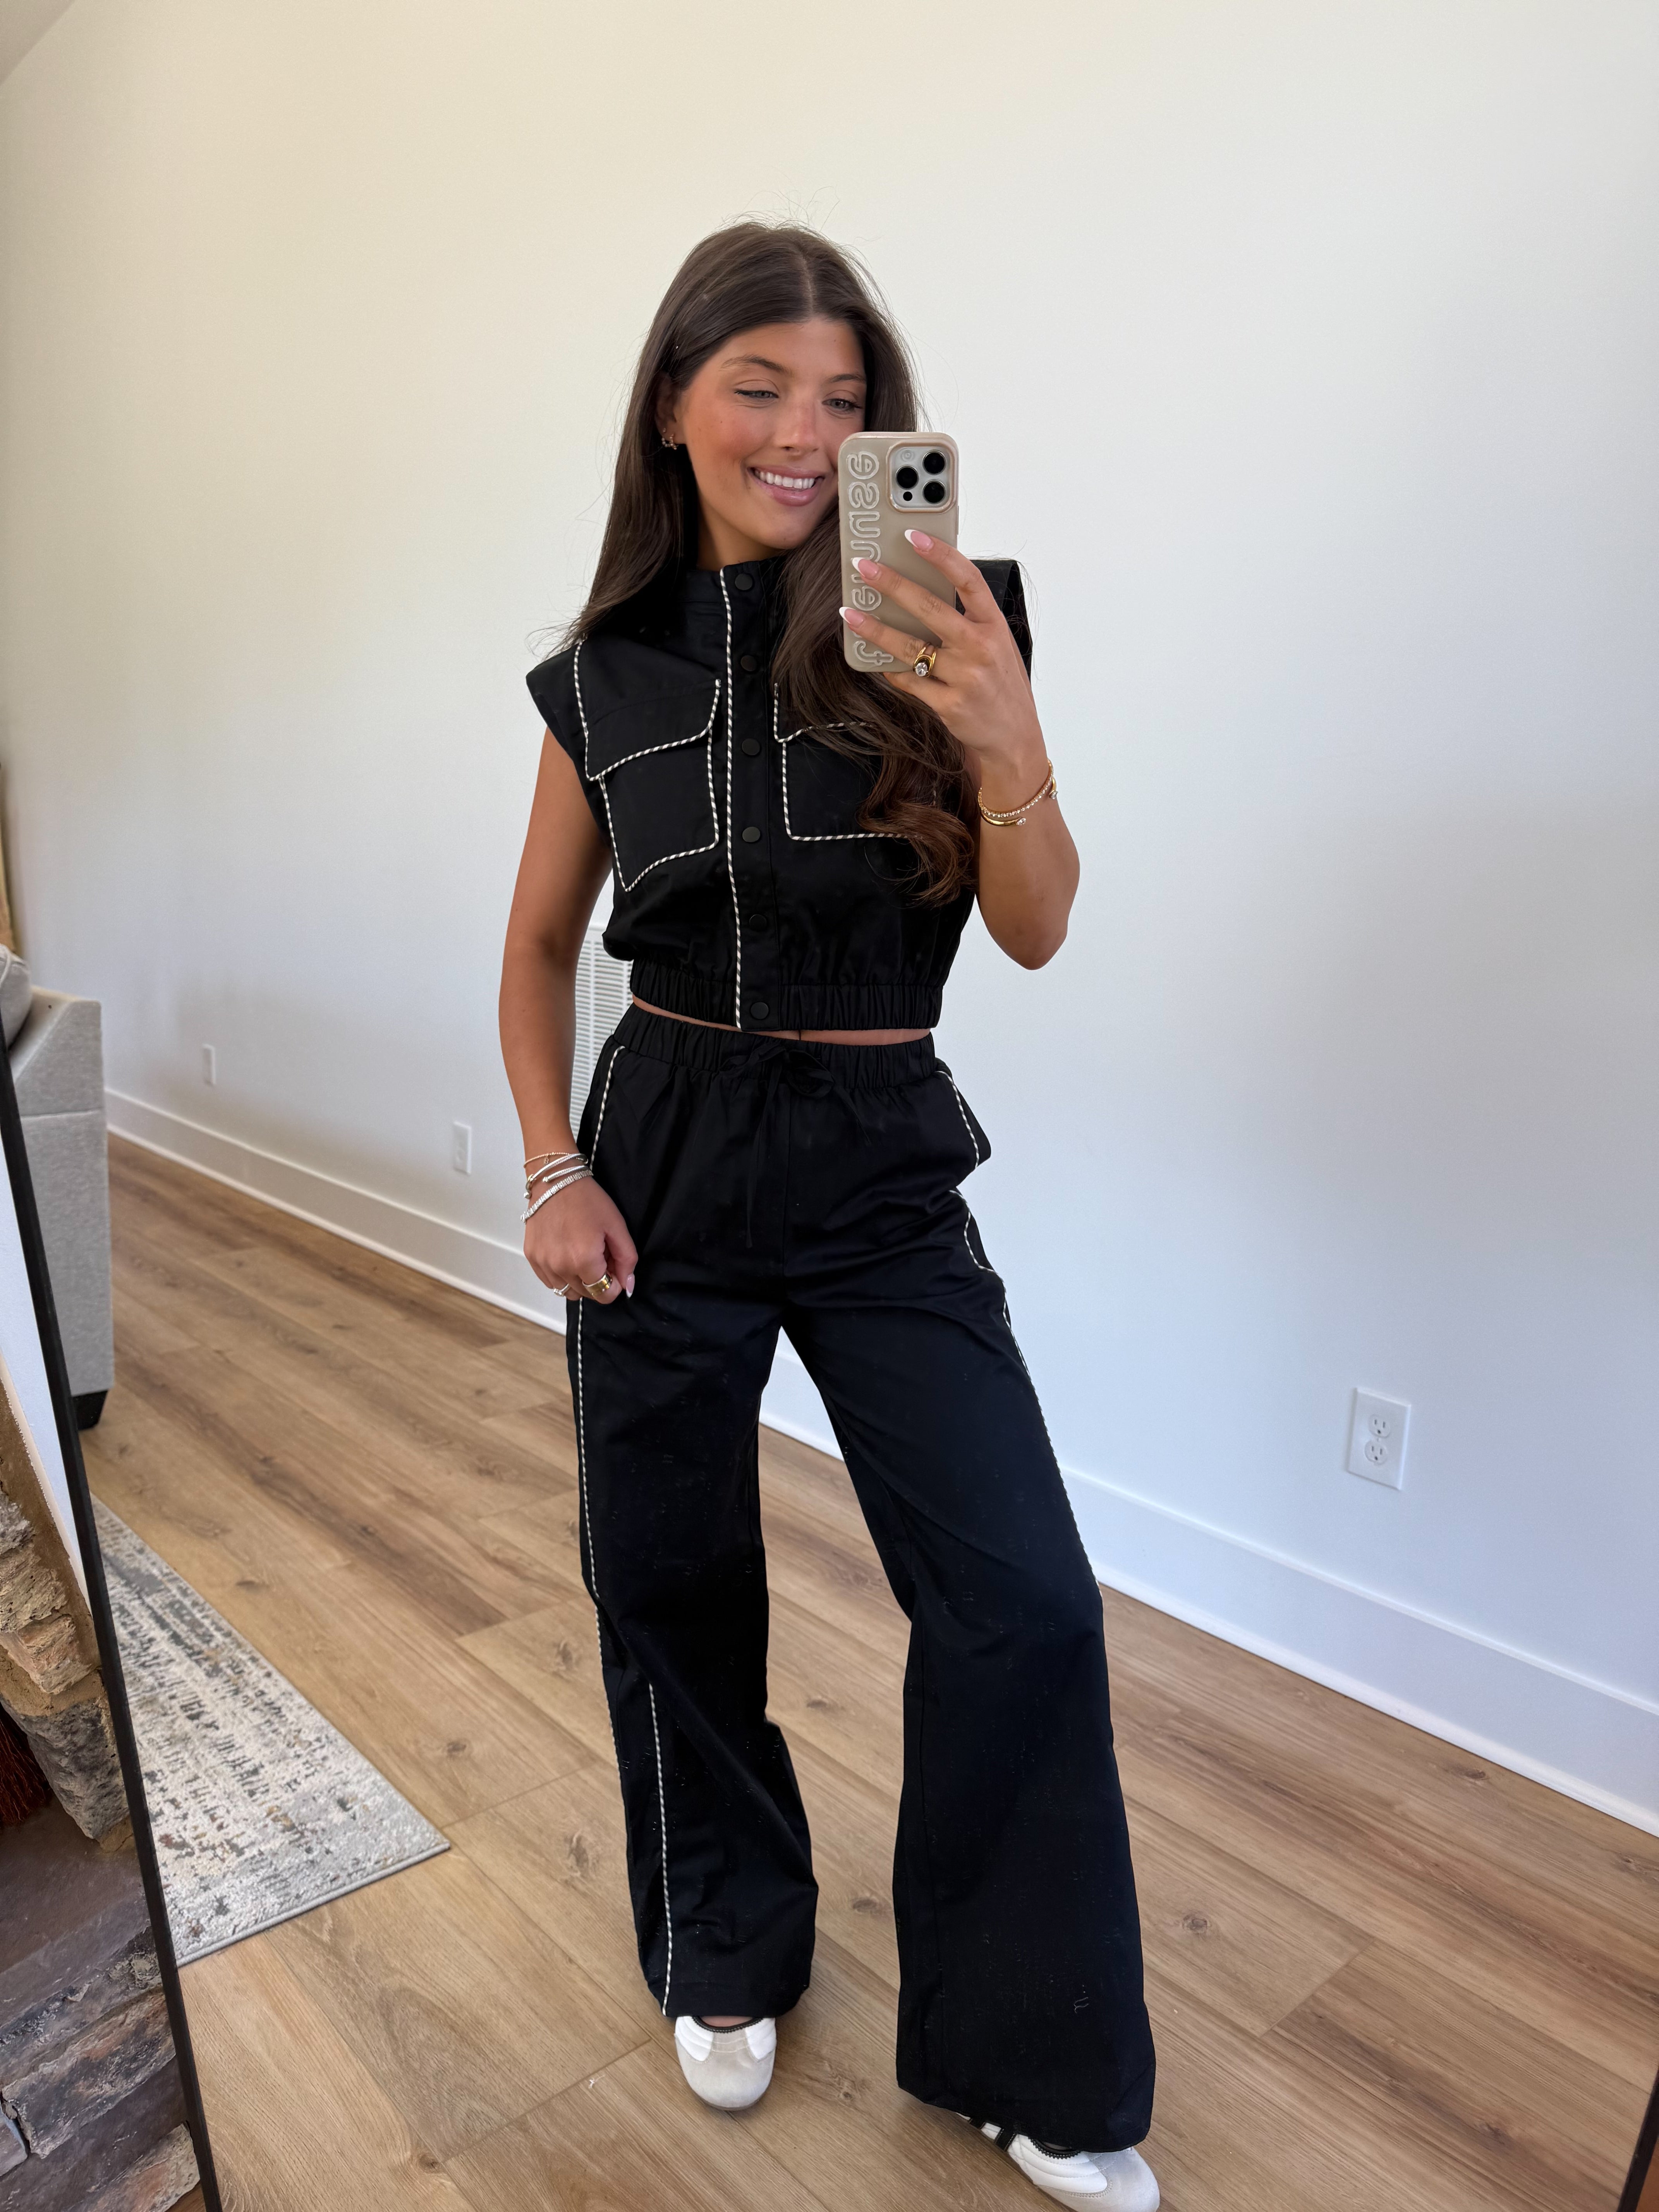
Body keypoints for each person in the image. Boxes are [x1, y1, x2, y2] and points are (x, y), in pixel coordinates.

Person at [499, 221, 1158, 2210]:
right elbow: (536, 951)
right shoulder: (602, 675)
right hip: (667, 1146)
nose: (804, 433)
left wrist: (1010, 733)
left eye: (847, 400)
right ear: (674, 409)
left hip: (880, 1159)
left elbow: (1034, 931)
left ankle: (1027, 2049)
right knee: (668, 1576)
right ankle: (727, 1936)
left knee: (1023, 1596)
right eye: (761, 388)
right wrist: (551, 1167)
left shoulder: (943, 615)